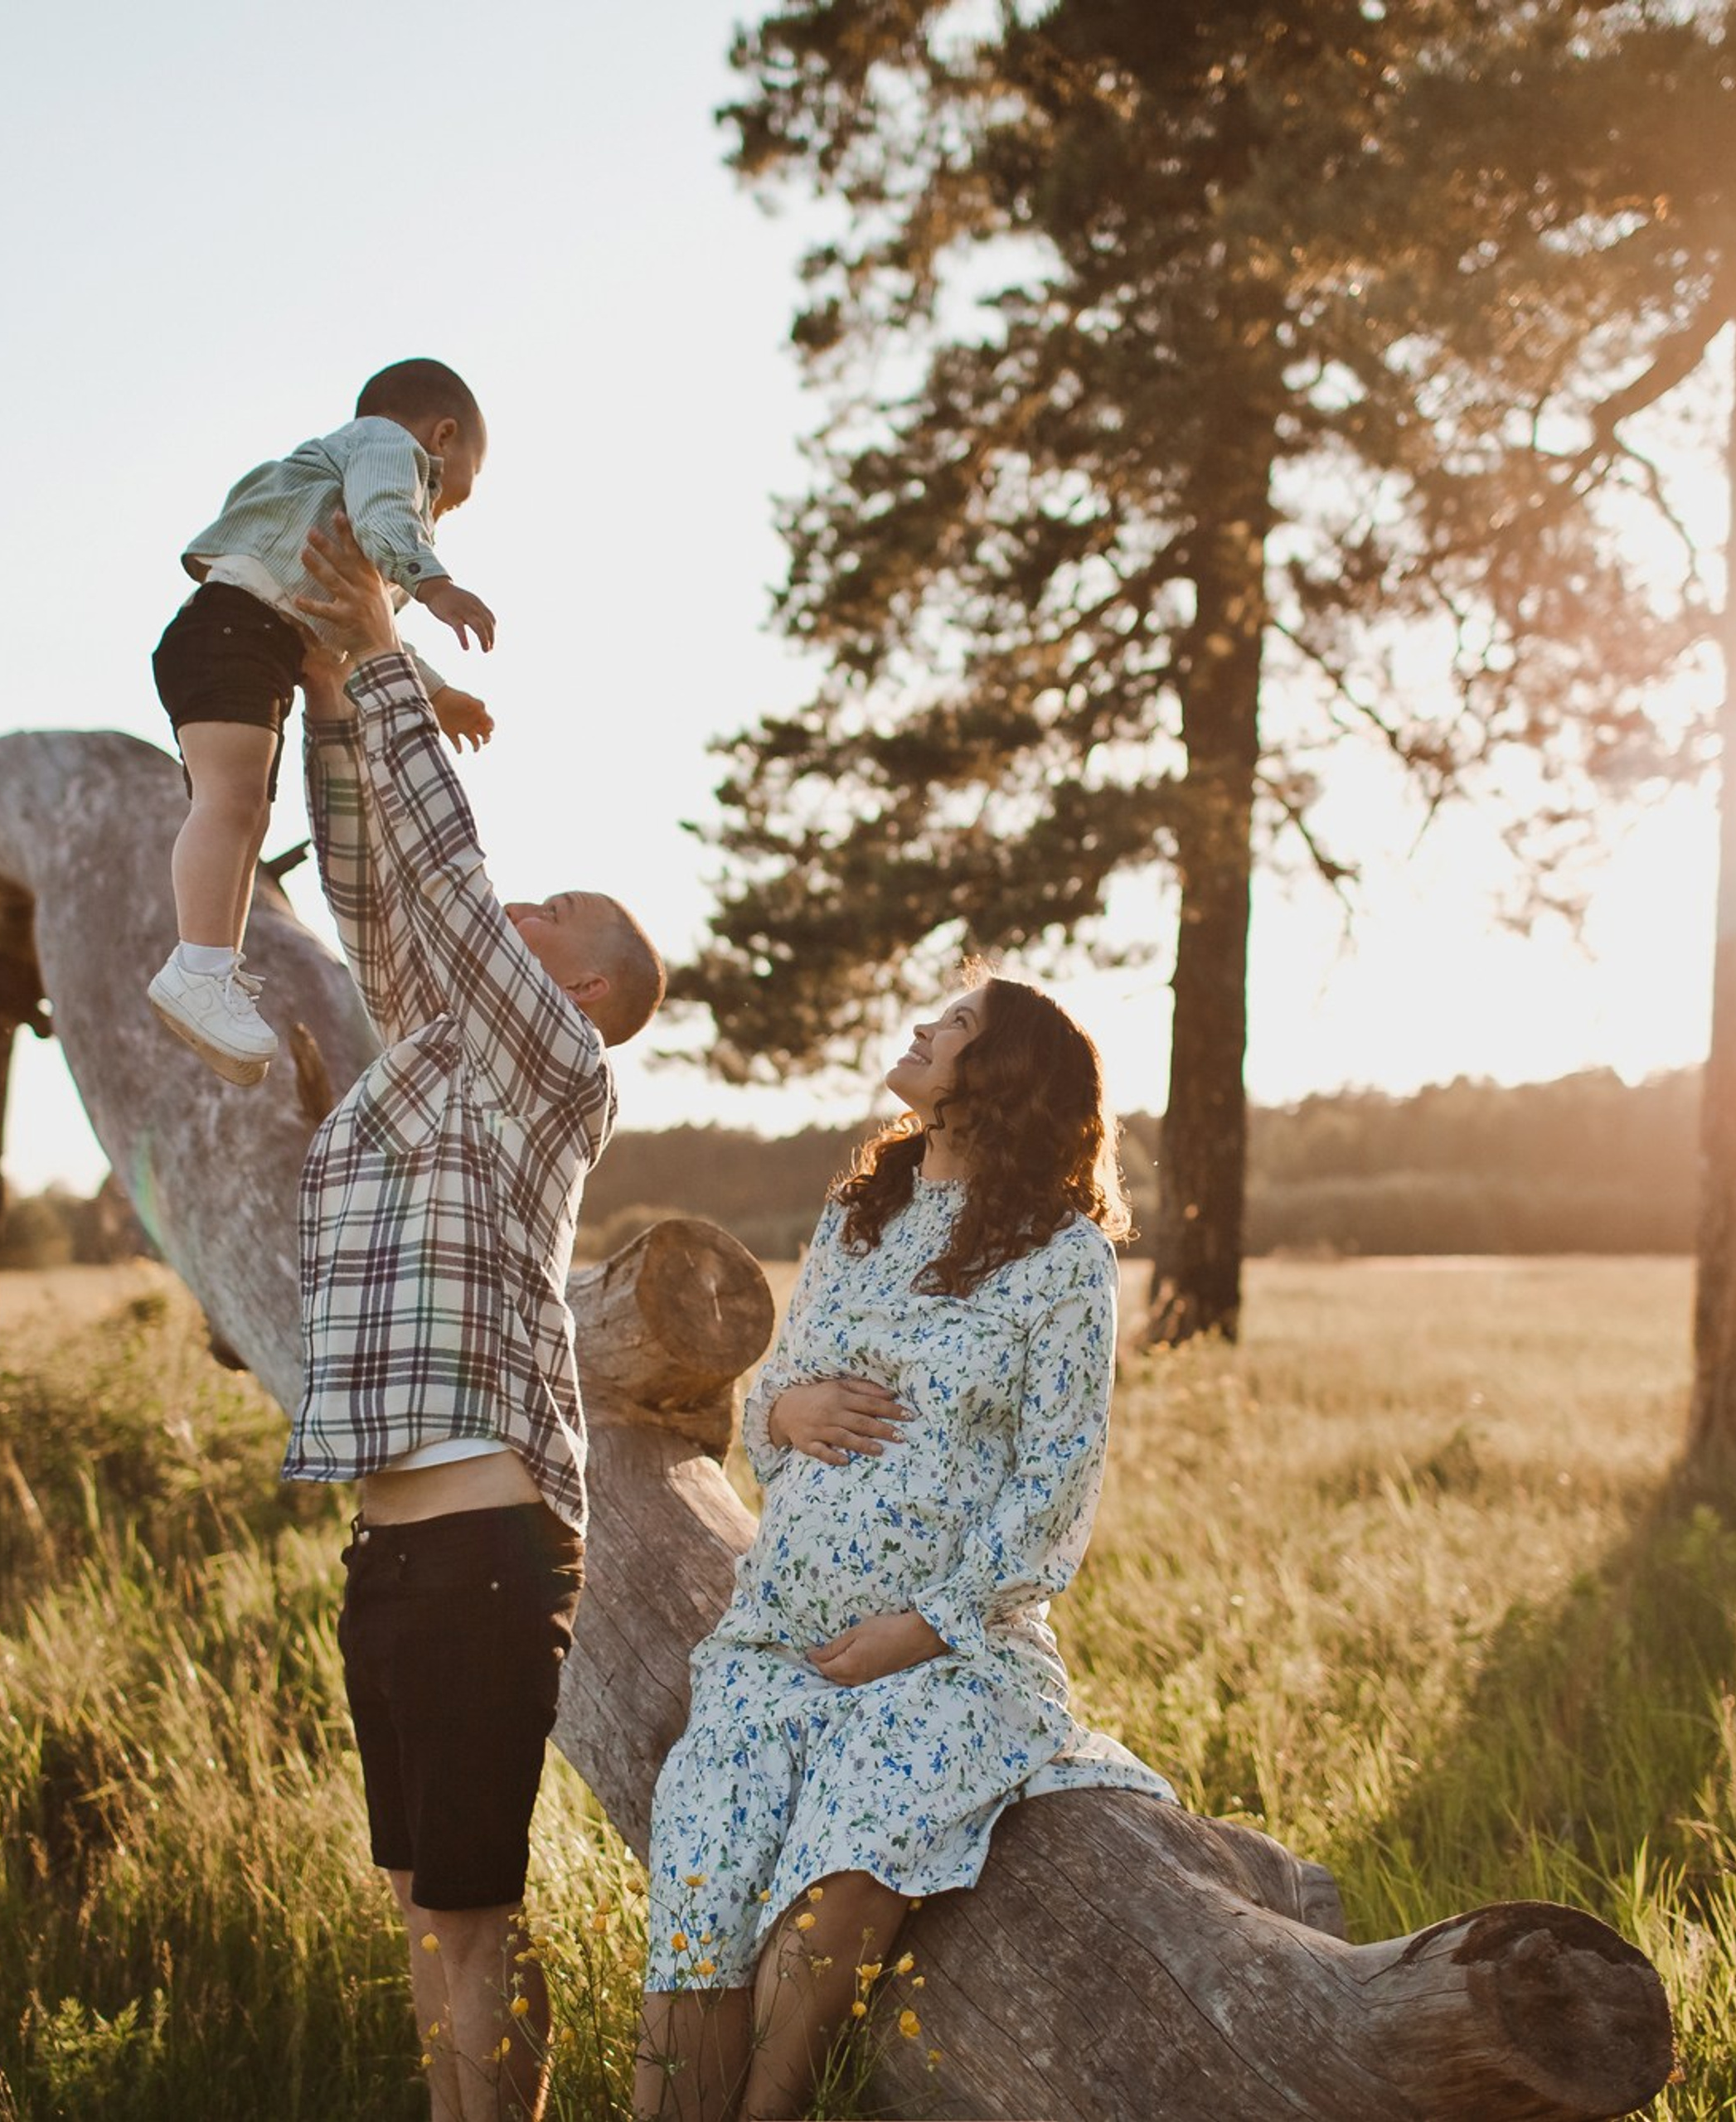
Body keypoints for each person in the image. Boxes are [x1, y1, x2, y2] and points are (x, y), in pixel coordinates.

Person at [633, 976, 1175, 2122]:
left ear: (1005, 1076)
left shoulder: (1063, 1257)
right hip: (777, 1642)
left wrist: (919, 1628)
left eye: (957, 1023)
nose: (926, 1027)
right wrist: (785, 1411)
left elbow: (1054, 1490)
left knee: (842, 1875)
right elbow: (771, 1400)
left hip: (945, 1660)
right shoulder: (859, 1217)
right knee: (700, 1883)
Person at [286, 513, 664, 2122]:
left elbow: (445, 880)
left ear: (585, 988)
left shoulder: (555, 1068)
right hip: (389, 1560)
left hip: (483, 1559)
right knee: (421, 1914)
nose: (522, 904)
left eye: (555, 906)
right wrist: (330, 689)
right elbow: (383, 888)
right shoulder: (435, 1050)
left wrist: (386, 649)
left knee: (467, 1917)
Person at [148, 357, 501, 1084]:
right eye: (452, 497)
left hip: (251, 642)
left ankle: (214, 969)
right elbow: (387, 514)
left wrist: (436, 695)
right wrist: (435, 585)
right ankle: (198, 967)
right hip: (234, 631)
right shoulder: (386, 447)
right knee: (230, 804)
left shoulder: (337, 513)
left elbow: (361, 628)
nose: (438, 513)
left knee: (247, 813)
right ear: (443, 437)